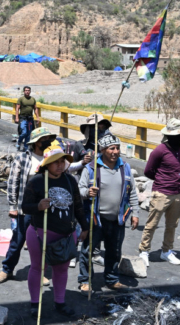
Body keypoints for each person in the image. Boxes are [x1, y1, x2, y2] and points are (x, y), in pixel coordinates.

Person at [21, 145, 88, 318]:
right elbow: (25, 208)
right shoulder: (36, 181)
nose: (59, 165)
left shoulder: (70, 181)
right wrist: (38, 206)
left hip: (66, 235)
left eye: (62, 161)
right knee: (37, 268)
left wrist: (85, 226)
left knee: (61, 270)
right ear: (47, 164)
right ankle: (35, 304)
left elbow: (78, 206)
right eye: (55, 162)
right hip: (39, 233)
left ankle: (60, 302)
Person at [77, 134, 140, 293]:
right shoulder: (91, 168)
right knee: (88, 251)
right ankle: (85, 280)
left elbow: (131, 192)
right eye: (112, 148)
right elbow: (79, 190)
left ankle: (112, 279)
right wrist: (87, 192)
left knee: (114, 250)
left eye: (118, 148)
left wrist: (135, 213)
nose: (116, 151)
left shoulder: (124, 167)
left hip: (117, 219)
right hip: (95, 219)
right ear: (103, 150)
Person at [0, 127, 55, 284]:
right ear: (36, 143)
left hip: (45, 209)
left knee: (42, 242)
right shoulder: (23, 158)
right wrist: (13, 206)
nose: (47, 142)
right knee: (18, 240)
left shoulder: (50, 158)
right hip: (26, 207)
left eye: (49, 139)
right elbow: (13, 182)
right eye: (44, 140)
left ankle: (39, 272)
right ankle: (7, 269)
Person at [138, 118, 180, 267]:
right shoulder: (160, 150)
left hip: (177, 193)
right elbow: (148, 171)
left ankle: (166, 251)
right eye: (177, 135)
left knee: (172, 225)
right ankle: (144, 251)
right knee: (152, 224)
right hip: (161, 193)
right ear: (169, 136)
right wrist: (163, 180)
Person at [68, 114, 113, 267]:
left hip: (101, 188)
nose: (99, 130)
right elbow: (70, 169)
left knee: (97, 220)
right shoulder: (79, 146)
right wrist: (83, 162)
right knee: (78, 220)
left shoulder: (105, 146)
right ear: (88, 130)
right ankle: (73, 252)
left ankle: (95, 252)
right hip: (81, 188)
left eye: (102, 127)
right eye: (95, 127)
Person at [15, 86, 40, 152]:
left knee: (28, 135)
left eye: (28, 90)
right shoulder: (21, 99)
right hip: (23, 118)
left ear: (30, 91)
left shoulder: (33, 99)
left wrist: (37, 117)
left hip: (30, 119)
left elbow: (35, 108)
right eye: (26, 90)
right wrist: (17, 117)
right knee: (24, 133)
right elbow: (17, 108)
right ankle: (19, 142)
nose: (27, 91)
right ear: (23, 91)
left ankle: (25, 148)